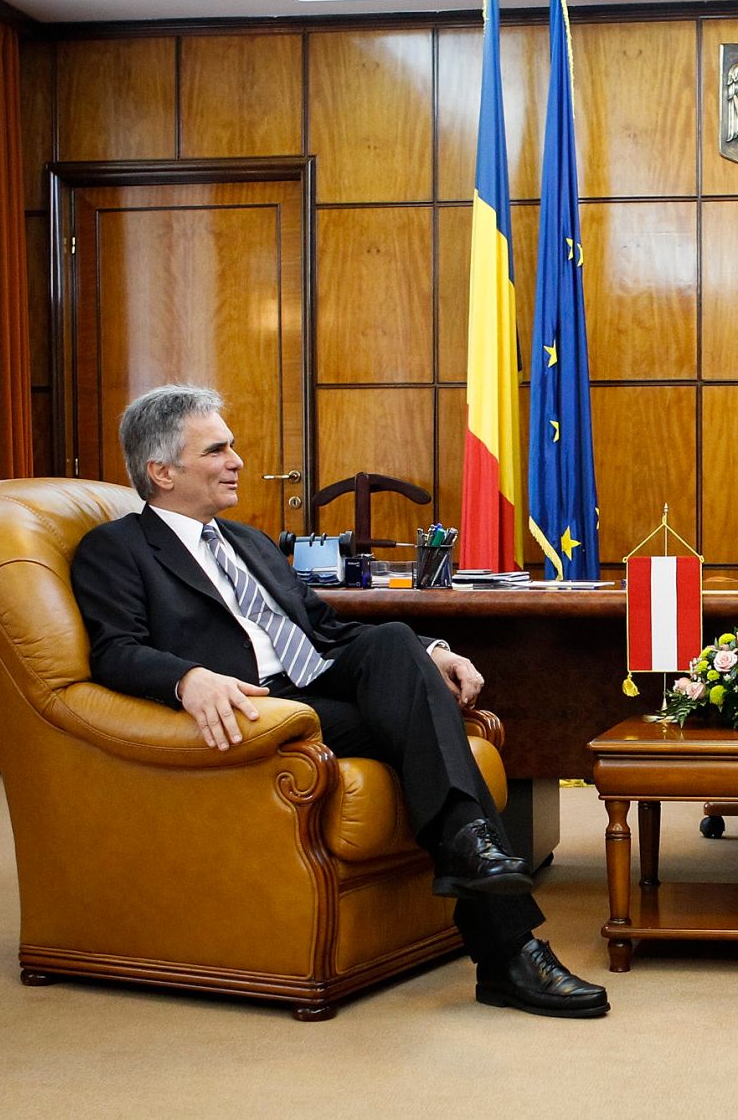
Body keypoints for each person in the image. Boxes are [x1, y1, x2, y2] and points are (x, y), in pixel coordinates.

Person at [70, 384, 607, 1019]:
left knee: (393, 639)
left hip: (320, 685)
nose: (237, 460)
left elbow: (326, 631)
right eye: (217, 450)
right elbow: (114, 650)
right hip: (263, 708)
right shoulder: (118, 548)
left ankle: (472, 858)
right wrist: (188, 677)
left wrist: (431, 651)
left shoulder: (250, 541)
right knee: (425, 734)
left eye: (232, 446)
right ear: (161, 471)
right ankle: (508, 949)